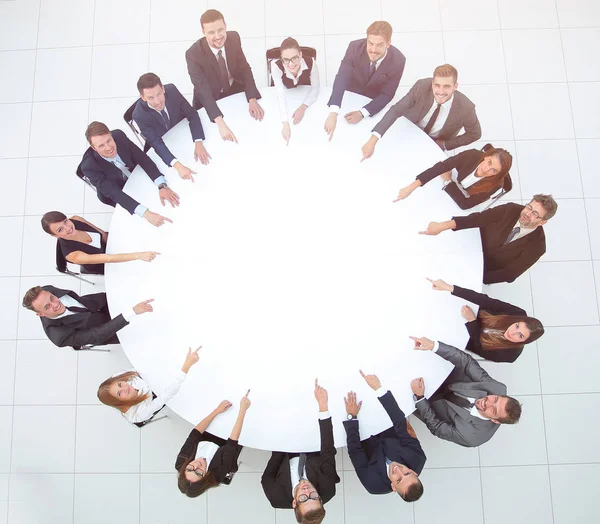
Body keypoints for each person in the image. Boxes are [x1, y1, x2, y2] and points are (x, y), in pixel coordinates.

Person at [409, 336, 522, 447]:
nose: (487, 402)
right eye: (495, 399)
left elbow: (437, 427)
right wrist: (434, 346)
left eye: (493, 410)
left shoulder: (473, 437)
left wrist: (420, 398)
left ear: (495, 421)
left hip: (428, 406)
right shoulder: (497, 388)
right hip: (443, 376)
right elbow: (467, 362)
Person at [419, 195, 558, 284]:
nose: (527, 213)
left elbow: (509, 273)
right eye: (529, 207)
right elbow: (478, 218)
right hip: (472, 246)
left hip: (485, 270)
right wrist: (443, 226)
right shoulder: (511, 209)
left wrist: (476, 278)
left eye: (535, 214)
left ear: (542, 222)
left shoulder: (538, 246)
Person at [361, 64, 481, 160]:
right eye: (437, 85)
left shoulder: (466, 108)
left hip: (433, 141)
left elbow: (475, 134)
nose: (440, 91)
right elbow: (396, 110)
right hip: (410, 129)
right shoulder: (421, 86)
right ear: (432, 83)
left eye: (446, 86)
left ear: (455, 86)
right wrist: (373, 140)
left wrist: (445, 144)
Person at [261, 379, 339, 523]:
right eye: (314, 496)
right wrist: (323, 406)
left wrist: (281, 438)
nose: (307, 490)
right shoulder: (328, 489)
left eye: (303, 498)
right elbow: (328, 450)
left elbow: (267, 477)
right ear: (320, 500)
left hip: (284, 448)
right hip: (313, 444)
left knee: (280, 402)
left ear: (294, 503)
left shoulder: (276, 496)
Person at [343, 370, 426, 502]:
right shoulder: (418, 458)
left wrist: (351, 417)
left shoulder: (373, 484)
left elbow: (355, 452)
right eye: (406, 473)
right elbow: (400, 423)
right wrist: (379, 389)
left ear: (393, 486)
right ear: (414, 472)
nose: (398, 470)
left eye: (398, 479)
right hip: (386, 423)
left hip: (363, 435)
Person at [79, 121, 179, 228]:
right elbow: (114, 193)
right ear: (94, 148)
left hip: (135, 174)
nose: (108, 148)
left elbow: (142, 158)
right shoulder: (89, 166)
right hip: (117, 189)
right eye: (101, 145)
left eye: (109, 141)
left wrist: (162, 185)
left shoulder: (119, 136)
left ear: (111, 135)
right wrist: (146, 214)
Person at [186, 9, 263, 143]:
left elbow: (244, 69)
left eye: (220, 30)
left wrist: (252, 98)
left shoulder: (233, 38)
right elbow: (203, 90)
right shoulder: (193, 54)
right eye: (211, 32)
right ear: (203, 33)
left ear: (226, 26)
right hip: (210, 95)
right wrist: (221, 124)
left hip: (234, 87)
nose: (218, 36)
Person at [427, 278, 544, 363]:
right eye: (517, 326)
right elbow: (486, 301)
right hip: (468, 313)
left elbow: (479, 347)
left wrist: (472, 321)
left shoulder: (510, 355)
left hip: (465, 337)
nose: (513, 332)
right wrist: (450, 288)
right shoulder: (518, 314)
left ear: (523, 342)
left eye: (520, 336)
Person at [324, 21, 406, 141]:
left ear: (388, 44)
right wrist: (333, 111)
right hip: (350, 93)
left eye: (379, 45)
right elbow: (342, 77)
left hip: (373, 101)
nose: (373, 50)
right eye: (370, 43)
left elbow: (387, 94)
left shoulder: (398, 60)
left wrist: (363, 113)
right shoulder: (354, 47)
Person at [133, 72, 211, 182]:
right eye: (150, 98)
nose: (158, 101)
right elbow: (156, 143)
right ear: (143, 97)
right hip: (162, 139)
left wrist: (198, 141)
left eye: (159, 94)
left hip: (181, 131)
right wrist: (177, 165)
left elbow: (192, 114)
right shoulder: (139, 115)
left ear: (163, 89)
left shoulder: (172, 90)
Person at [21, 285, 153, 349]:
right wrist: (131, 312)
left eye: (52, 298)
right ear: (41, 314)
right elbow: (97, 334)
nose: (55, 304)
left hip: (96, 306)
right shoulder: (59, 336)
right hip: (104, 331)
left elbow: (82, 300)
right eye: (47, 307)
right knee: (146, 335)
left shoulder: (47, 291)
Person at [97, 346, 201, 425]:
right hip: (159, 394)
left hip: (151, 377)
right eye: (120, 394)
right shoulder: (137, 414)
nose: (125, 387)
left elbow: (141, 368)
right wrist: (186, 366)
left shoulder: (117, 377)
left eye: (120, 384)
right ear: (119, 403)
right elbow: (165, 396)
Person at [176, 390, 252, 497]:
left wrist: (217, 411)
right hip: (228, 444)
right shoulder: (217, 474)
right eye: (199, 472)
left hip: (209, 433)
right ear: (205, 476)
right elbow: (232, 443)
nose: (196, 465)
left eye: (190, 468)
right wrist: (242, 410)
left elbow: (195, 433)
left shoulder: (181, 461)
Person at [394, 146, 513, 210]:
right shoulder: (472, 155)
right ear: (486, 157)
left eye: (494, 170)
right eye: (489, 162)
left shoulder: (495, 185)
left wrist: (448, 181)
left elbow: (465, 205)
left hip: (463, 196)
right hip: (458, 187)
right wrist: (412, 186)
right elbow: (442, 166)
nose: (486, 170)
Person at [41, 211, 159, 275]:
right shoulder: (72, 255)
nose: (68, 228)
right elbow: (108, 259)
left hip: (110, 247)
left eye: (65, 222)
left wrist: (124, 243)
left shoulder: (76, 219)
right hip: (105, 264)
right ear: (55, 236)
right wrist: (138, 255)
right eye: (60, 230)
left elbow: (102, 234)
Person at [270, 37, 320, 145]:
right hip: (286, 97)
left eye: (294, 58)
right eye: (286, 60)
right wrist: (285, 123)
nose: (291, 64)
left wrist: (303, 107)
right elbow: (281, 94)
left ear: (300, 55)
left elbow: (315, 88)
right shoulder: (276, 66)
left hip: (304, 96)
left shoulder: (311, 63)